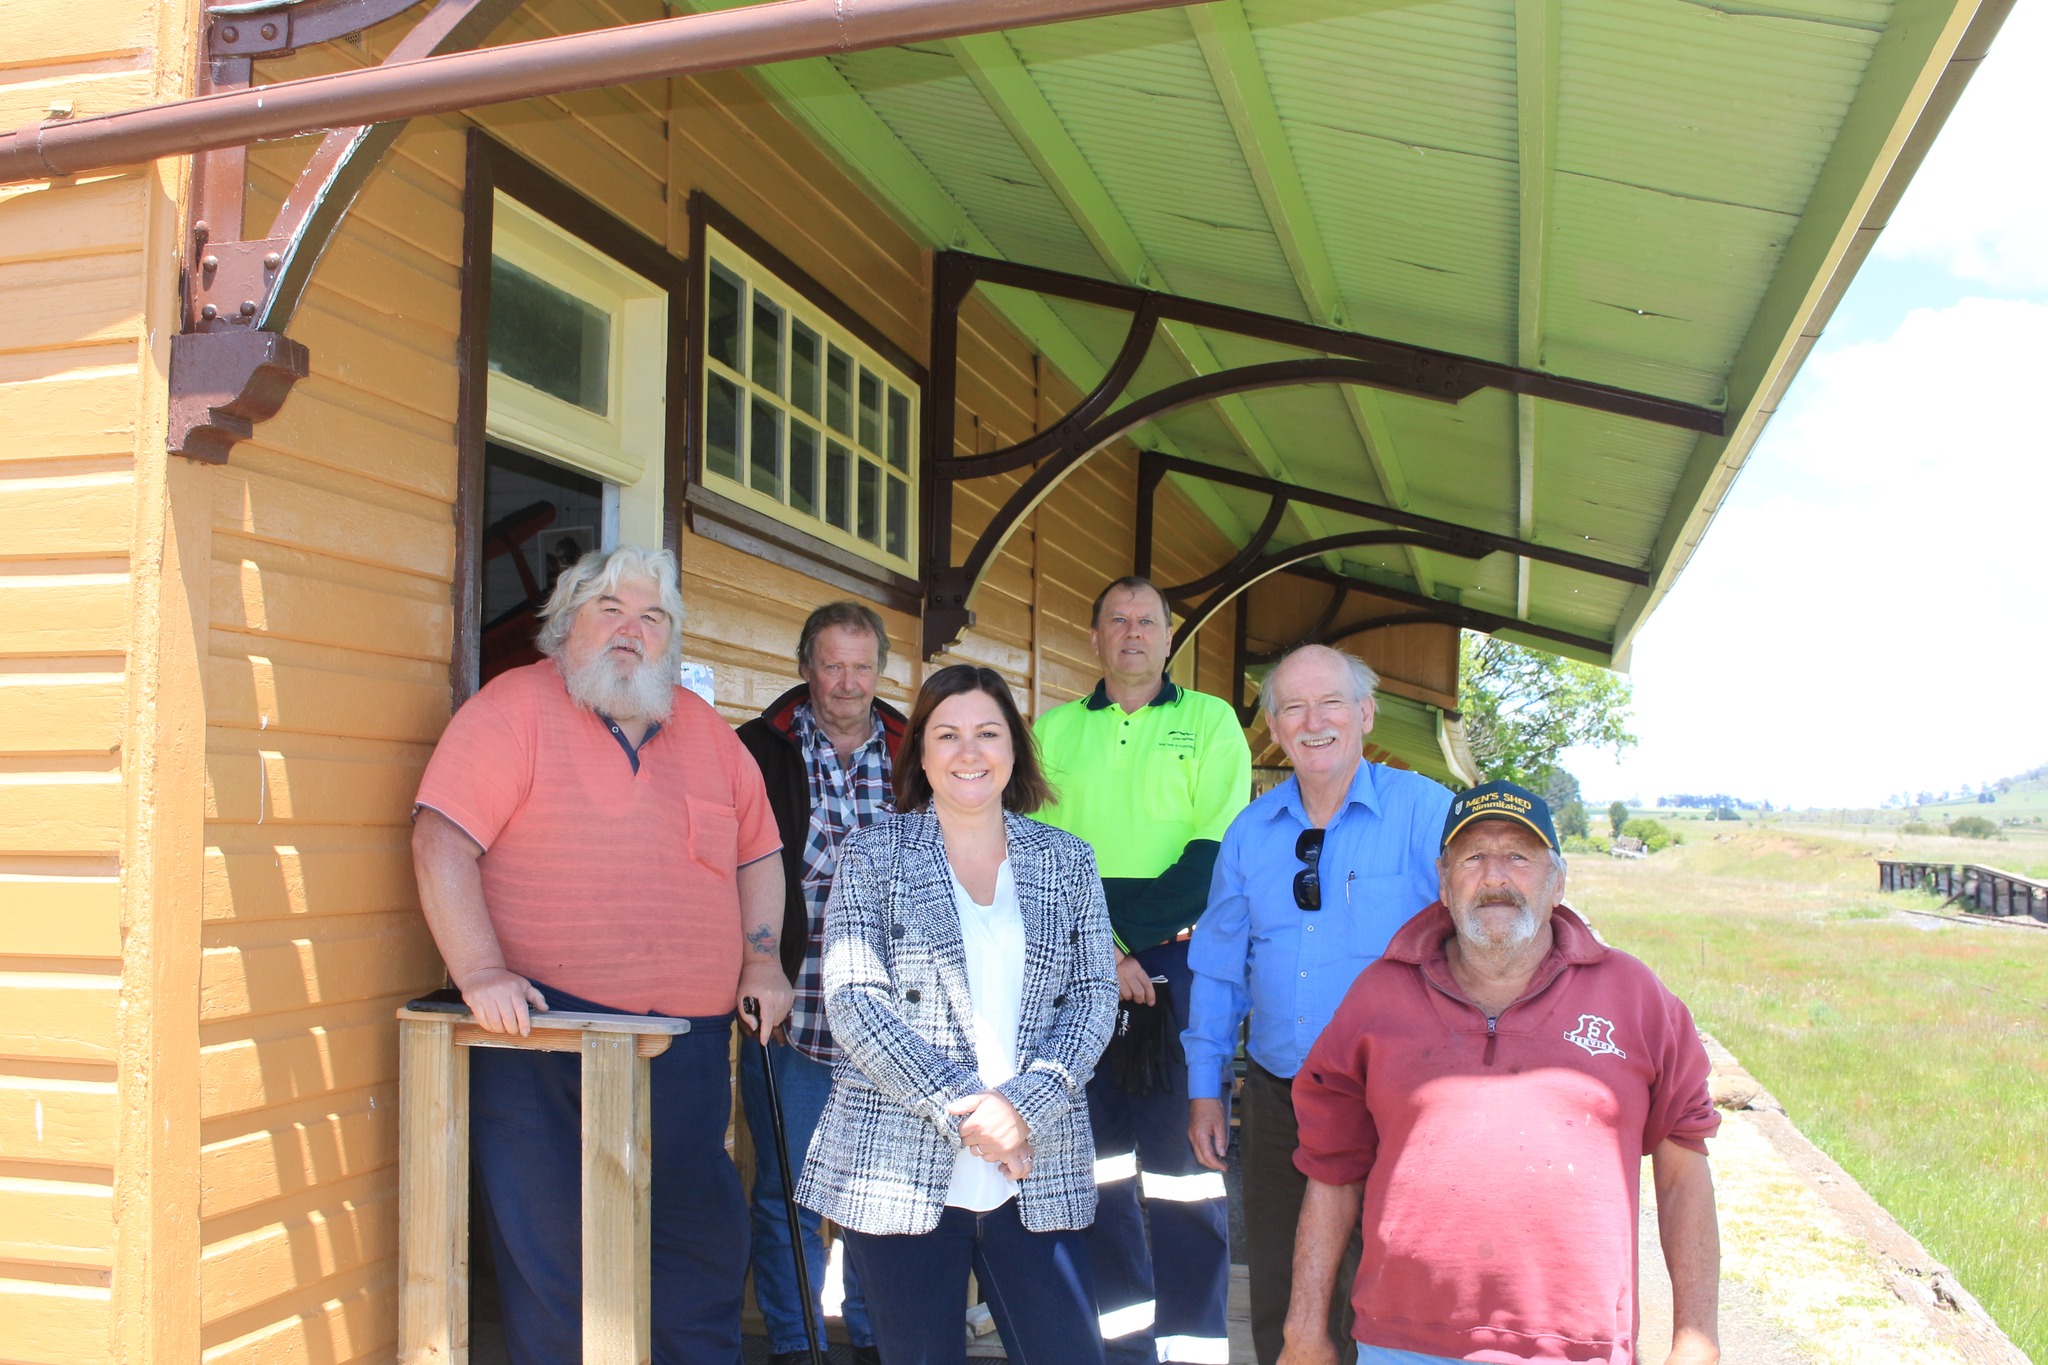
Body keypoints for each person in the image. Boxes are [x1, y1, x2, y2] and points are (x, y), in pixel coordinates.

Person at [411, 546, 792, 1365]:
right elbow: (441, 840)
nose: (632, 630)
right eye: (610, 609)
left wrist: (761, 960)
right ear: (564, 626)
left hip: (685, 1049)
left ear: (673, 640)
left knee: (698, 1255)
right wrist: (479, 969)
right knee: (558, 1267)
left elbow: (759, 854)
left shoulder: (710, 735)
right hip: (546, 1041)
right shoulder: (512, 708)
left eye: (653, 617)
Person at [1280, 781, 1722, 1365]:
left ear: (1558, 881)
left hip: (1578, 1349)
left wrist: (1696, 1339)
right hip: (1401, 1344)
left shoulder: (1635, 997)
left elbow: (1682, 1173)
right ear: (1442, 880)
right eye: (1473, 857)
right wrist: (1304, 1331)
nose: (1494, 877)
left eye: (1518, 856)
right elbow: (1331, 1171)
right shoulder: (1377, 998)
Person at [795, 663, 1120, 1365]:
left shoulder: (1067, 861)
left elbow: (1095, 995)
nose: (968, 752)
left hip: (1035, 1160)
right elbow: (853, 1001)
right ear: (920, 752)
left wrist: (1022, 1109)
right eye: (947, 733)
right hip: (900, 1162)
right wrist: (969, 1108)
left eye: (987, 732)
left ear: (1014, 748)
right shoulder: (871, 854)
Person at [1184, 644, 1454, 1365]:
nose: (1313, 721)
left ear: (1365, 713)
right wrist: (1205, 1086)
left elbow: (1489, 932)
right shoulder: (1249, 832)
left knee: (1392, 1291)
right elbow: (1217, 968)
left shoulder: (1427, 814)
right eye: (1293, 707)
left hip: (1402, 1101)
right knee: (1282, 1284)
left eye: (1330, 701)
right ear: (1273, 724)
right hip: (1284, 1099)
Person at [1035, 575, 1251, 1365]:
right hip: (1077, 975)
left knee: (1186, 1176)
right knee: (1097, 1176)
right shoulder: (1052, 732)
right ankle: (1119, 1353)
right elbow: (1036, 857)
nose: (1132, 632)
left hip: (1181, 967)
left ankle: (1193, 1353)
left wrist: (1122, 940)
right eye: (1116, 620)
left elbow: (1214, 851)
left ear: (1169, 639)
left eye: (1147, 621)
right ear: (1093, 637)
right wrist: (1102, 951)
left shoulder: (1211, 721)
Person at [736, 601, 907, 1365]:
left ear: (881, 669)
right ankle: (797, 1344)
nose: (847, 682)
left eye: (862, 665)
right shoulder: (755, 749)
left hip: (895, 1010)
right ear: (807, 664)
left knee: (886, 1190)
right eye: (832, 664)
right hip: (789, 1004)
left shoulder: (916, 748)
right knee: (789, 1192)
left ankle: (879, 1339)